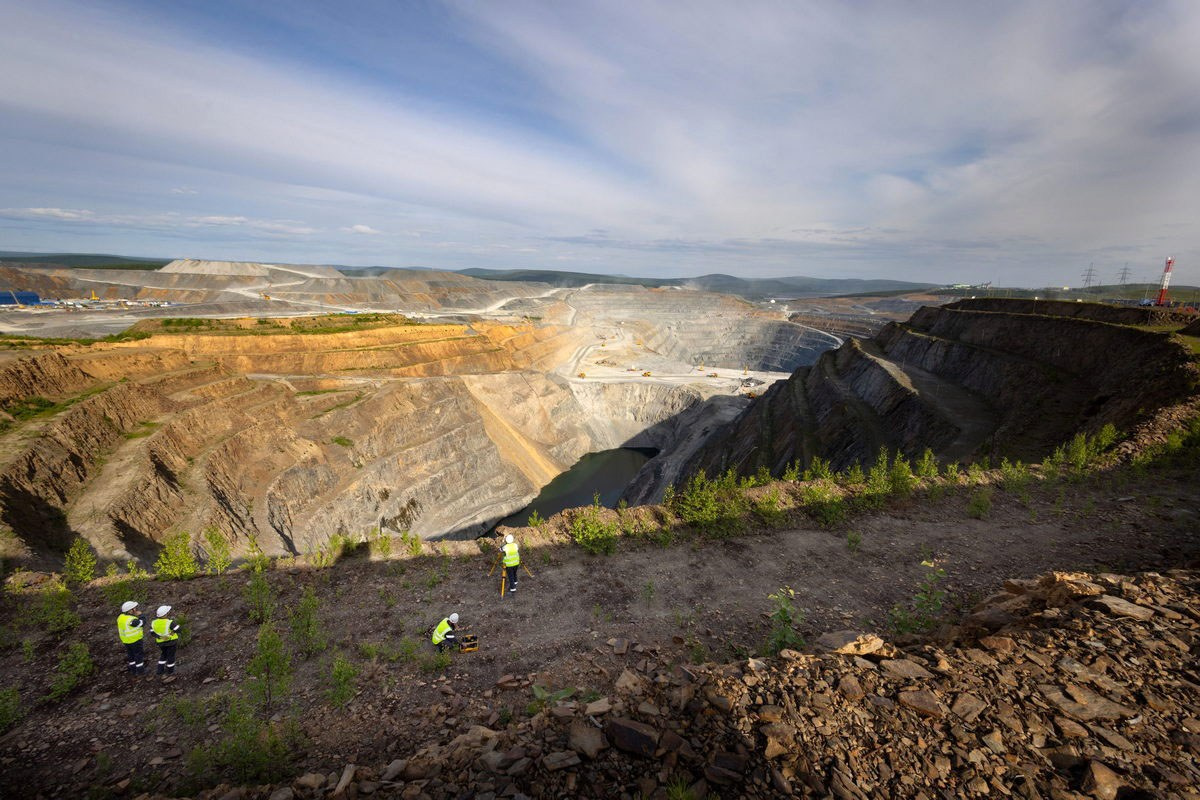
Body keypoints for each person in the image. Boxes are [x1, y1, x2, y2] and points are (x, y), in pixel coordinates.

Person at [116, 601, 146, 675]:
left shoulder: (120, 617)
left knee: (131, 655)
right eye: (134, 608)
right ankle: (140, 671)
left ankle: (133, 669)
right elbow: (142, 623)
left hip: (126, 640)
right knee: (138, 655)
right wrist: (141, 615)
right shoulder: (131, 620)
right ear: (130, 610)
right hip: (135, 640)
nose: (135, 609)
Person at [151, 605, 181, 676]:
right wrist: (173, 631)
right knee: (171, 656)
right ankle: (170, 671)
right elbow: (179, 629)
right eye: (168, 612)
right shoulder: (169, 622)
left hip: (161, 643)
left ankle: (159, 670)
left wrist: (160, 637)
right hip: (171, 642)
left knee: (163, 655)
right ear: (165, 614)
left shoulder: (154, 623)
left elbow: (152, 633)